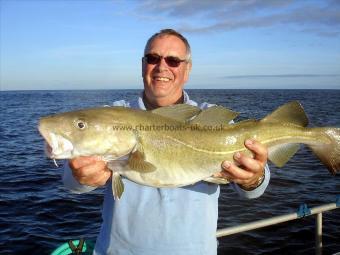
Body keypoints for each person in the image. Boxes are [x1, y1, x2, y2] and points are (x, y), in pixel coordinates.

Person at [63, 29, 270, 255]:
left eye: (173, 60)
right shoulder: (110, 115)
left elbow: (254, 189)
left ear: (187, 69)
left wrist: (253, 179)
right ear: (143, 65)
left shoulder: (212, 119)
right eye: (153, 58)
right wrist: (80, 175)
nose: (162, 67)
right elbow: (70, 180)